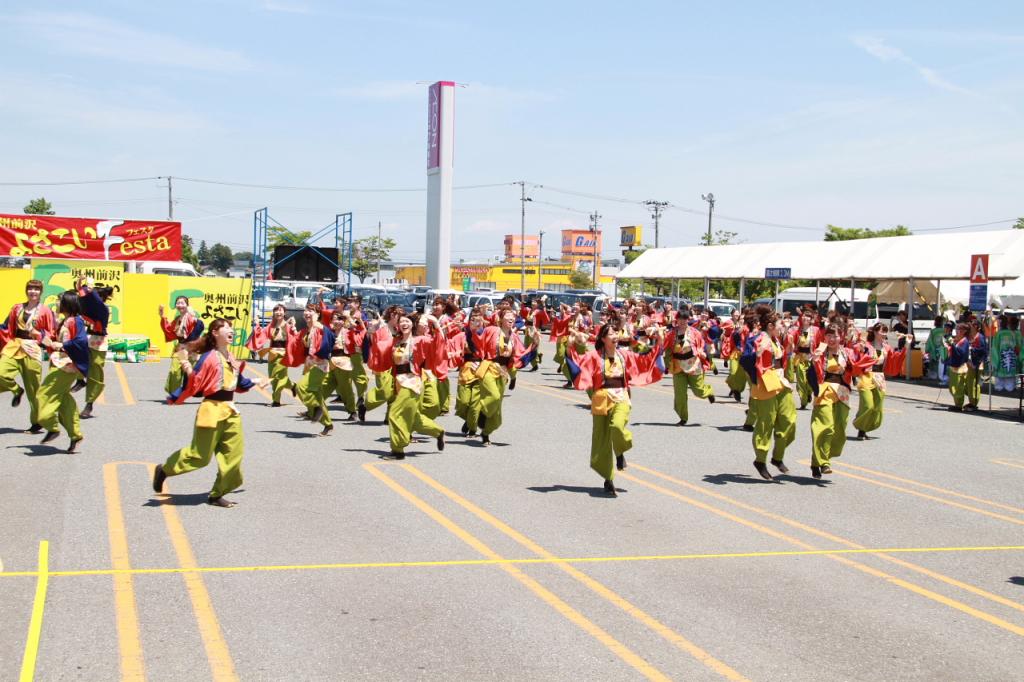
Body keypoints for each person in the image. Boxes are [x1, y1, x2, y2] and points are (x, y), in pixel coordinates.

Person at [153, 319, 266, 507]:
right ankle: (164, 469)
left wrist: (256, 381)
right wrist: (185, 364)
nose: (232, 330)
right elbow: (196, 384)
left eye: (231, 328)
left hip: (230, 411)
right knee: (199, 457)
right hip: (211, 410)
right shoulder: (210, 357)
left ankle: (216, 494)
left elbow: (238, 383)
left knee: (233, 455)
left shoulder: (230, 356)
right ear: (215, 332)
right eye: (227, 328)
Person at [568, 322, 664, 497]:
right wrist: (573, 344)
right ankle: (608, 478)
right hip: (601, 398)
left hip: (621, 396)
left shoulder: (625, 355)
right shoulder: (594, 356)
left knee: (617, 426)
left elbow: (646, 358)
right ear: (603, 339)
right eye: (611, 333)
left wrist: (658, 339)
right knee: (601, 440)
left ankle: (620, 451)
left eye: (616, 333)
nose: (615, 335)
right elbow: (577, 363)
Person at [367, 311, 446, 458]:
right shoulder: (395, 342)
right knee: (415, 419)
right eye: (402, 321)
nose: (404, 323)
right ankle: (438, 431)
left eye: (407, 321)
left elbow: (438, 344)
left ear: (412, 325)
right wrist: (372, 333)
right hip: (398, 381)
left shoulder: (420, 340)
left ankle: (398, 450)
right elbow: (379, 347)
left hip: (412, 382)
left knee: (394, 413)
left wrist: (435, 324)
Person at [739, 304, 795, 480]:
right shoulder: (759, 338)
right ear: (770, 326)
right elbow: (745, 359)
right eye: (779, 324)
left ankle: (777, 457)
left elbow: (782, 358)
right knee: (765, 424)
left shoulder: (776, 338)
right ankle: (761, 460)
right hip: (766, 383)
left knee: (788, 420)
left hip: (780, 381)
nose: (782, 327)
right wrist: (757, 353)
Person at [35, 290, 90, 453]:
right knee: (64, 401)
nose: (56, 303)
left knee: (43, 394)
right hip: (59, 363)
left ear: (67, 303)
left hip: (65, 366)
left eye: (59, 300)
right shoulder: (66, 320)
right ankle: (76, 435)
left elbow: (80, 341)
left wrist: (61, 346)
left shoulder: (75, 321)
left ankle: (51, 426)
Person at [0, 279, 57, 433]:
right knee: (1, 373)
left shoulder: (46, 311)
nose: (33, 291)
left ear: (41, 292)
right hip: (14, 345)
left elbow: (51, 332)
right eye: (31, 288)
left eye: (36, 289)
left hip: (32, 348)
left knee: (34, 389)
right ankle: (16, 390)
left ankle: (37, 422)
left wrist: (40, 338)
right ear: (26, 290)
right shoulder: (17, 308)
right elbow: (5, 327)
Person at [807, 323, 856, 478]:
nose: (832, 339)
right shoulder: (820, 352)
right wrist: (814, 361)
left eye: (835, 335)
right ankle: (824, 462)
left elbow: (856, 367)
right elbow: (811, 373)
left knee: (839, 429)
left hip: (842, 392)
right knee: (825, 427)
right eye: (828, 335)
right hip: (825, 391)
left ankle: (817, 461)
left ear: (840, 337)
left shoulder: (847, 352)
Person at [664, 309, 715, 425]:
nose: (682, 321)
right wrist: (666, 364)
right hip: (677, 366)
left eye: (684, 319)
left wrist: (702, 353)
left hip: (693, 364)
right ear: (676, 319)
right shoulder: (672, 333)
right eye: (680, 319)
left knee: (698, 391)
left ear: (688, 320)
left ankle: (709, 392)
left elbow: (701, 345)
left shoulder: (694, 332)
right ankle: (683, 417)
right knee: (680, 394)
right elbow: (666, 348)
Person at [74, 276, 115, 418]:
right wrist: (81, 286)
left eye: (94, 296)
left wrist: (90, 290)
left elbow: (94, 300)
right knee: (75, 356)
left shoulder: (103, 309)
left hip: (98, 341)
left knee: (95, 372)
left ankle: (89, 404)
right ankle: (79, 380)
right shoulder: (87, 306)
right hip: (86, 337)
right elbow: (81, 295)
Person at [293, 304, 336, 435]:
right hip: (310, 365)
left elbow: (329, 334)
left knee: (301, 387)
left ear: (318, 314)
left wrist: (320, 324)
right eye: (306, 310)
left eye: (311, 311)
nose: (307, 313)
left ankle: (315, 409)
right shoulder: (309, 329)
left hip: (320, 365)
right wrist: (294, 328)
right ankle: (327, 424)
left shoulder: (320, 327)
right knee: (317, 395)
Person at [249, 304, 297, 406]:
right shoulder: (271, 326)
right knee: (274, 376)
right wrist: (257, 324)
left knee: (277, 377)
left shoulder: (288, 326)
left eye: (280, 310)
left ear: (285, 313)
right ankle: (292, 386)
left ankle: (276, 400)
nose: (278, 312)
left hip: (283, 354)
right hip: (272, 354)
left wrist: (294, 329)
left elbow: (295, 340)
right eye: (276, 310)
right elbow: (260, 335)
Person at [159, 296, 205, 401]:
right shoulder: (177, 320)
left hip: (192, 349)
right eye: (178, 303)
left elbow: (200, 327)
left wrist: (194, 318)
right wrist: (162, 317)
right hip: (181, 348)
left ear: (187, 305)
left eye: (182, 303)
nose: (180, 305)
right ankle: (175, 394)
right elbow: (169, 331)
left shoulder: (192, 317)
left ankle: (195, 391)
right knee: (174, 371)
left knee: (190, 374)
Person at [851, 324, 888, 440]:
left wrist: (907, 344)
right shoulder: (867, 346)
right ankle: (860, 426)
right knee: (867, 404)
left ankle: (865, 428)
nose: (884, 334)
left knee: (877, 406)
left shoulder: (886, 347)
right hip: (866, 376)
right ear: (876, 332)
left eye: (886, 332)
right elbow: (855, 350)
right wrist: (857, 344)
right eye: (882, 331)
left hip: (880, 377)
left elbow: (893, 360)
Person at [787, 307, 823, 410]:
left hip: (811, 358)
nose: (805, 319)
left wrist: (818, 353)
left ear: (811, 319)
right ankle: (803, 401)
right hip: (800, 358)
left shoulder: (816, 330)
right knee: (801, 380)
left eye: (808, 317)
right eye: (804, 317)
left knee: (810, 381)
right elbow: (790, 339)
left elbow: (821, 343)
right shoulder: (797, 330)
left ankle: (808, 393)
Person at [990, 314, 1020, 393]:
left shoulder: (998, 334)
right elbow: (1016, 347)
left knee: (999, 384)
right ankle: (1009, 386)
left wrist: (994, 362)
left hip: (1001, 359)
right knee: (1009, 383)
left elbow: (995, 349)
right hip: (1011, 359)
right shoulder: (1012, 333)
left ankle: (1001, 386)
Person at [925, 316, 950, 386]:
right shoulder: (944, 330)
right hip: (942, 349)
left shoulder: (933, 331)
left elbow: (930, 341)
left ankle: (934, 375)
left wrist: (929, 349)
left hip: (934, 348)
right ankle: (942, 375)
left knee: (934, 363)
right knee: (942, 363)